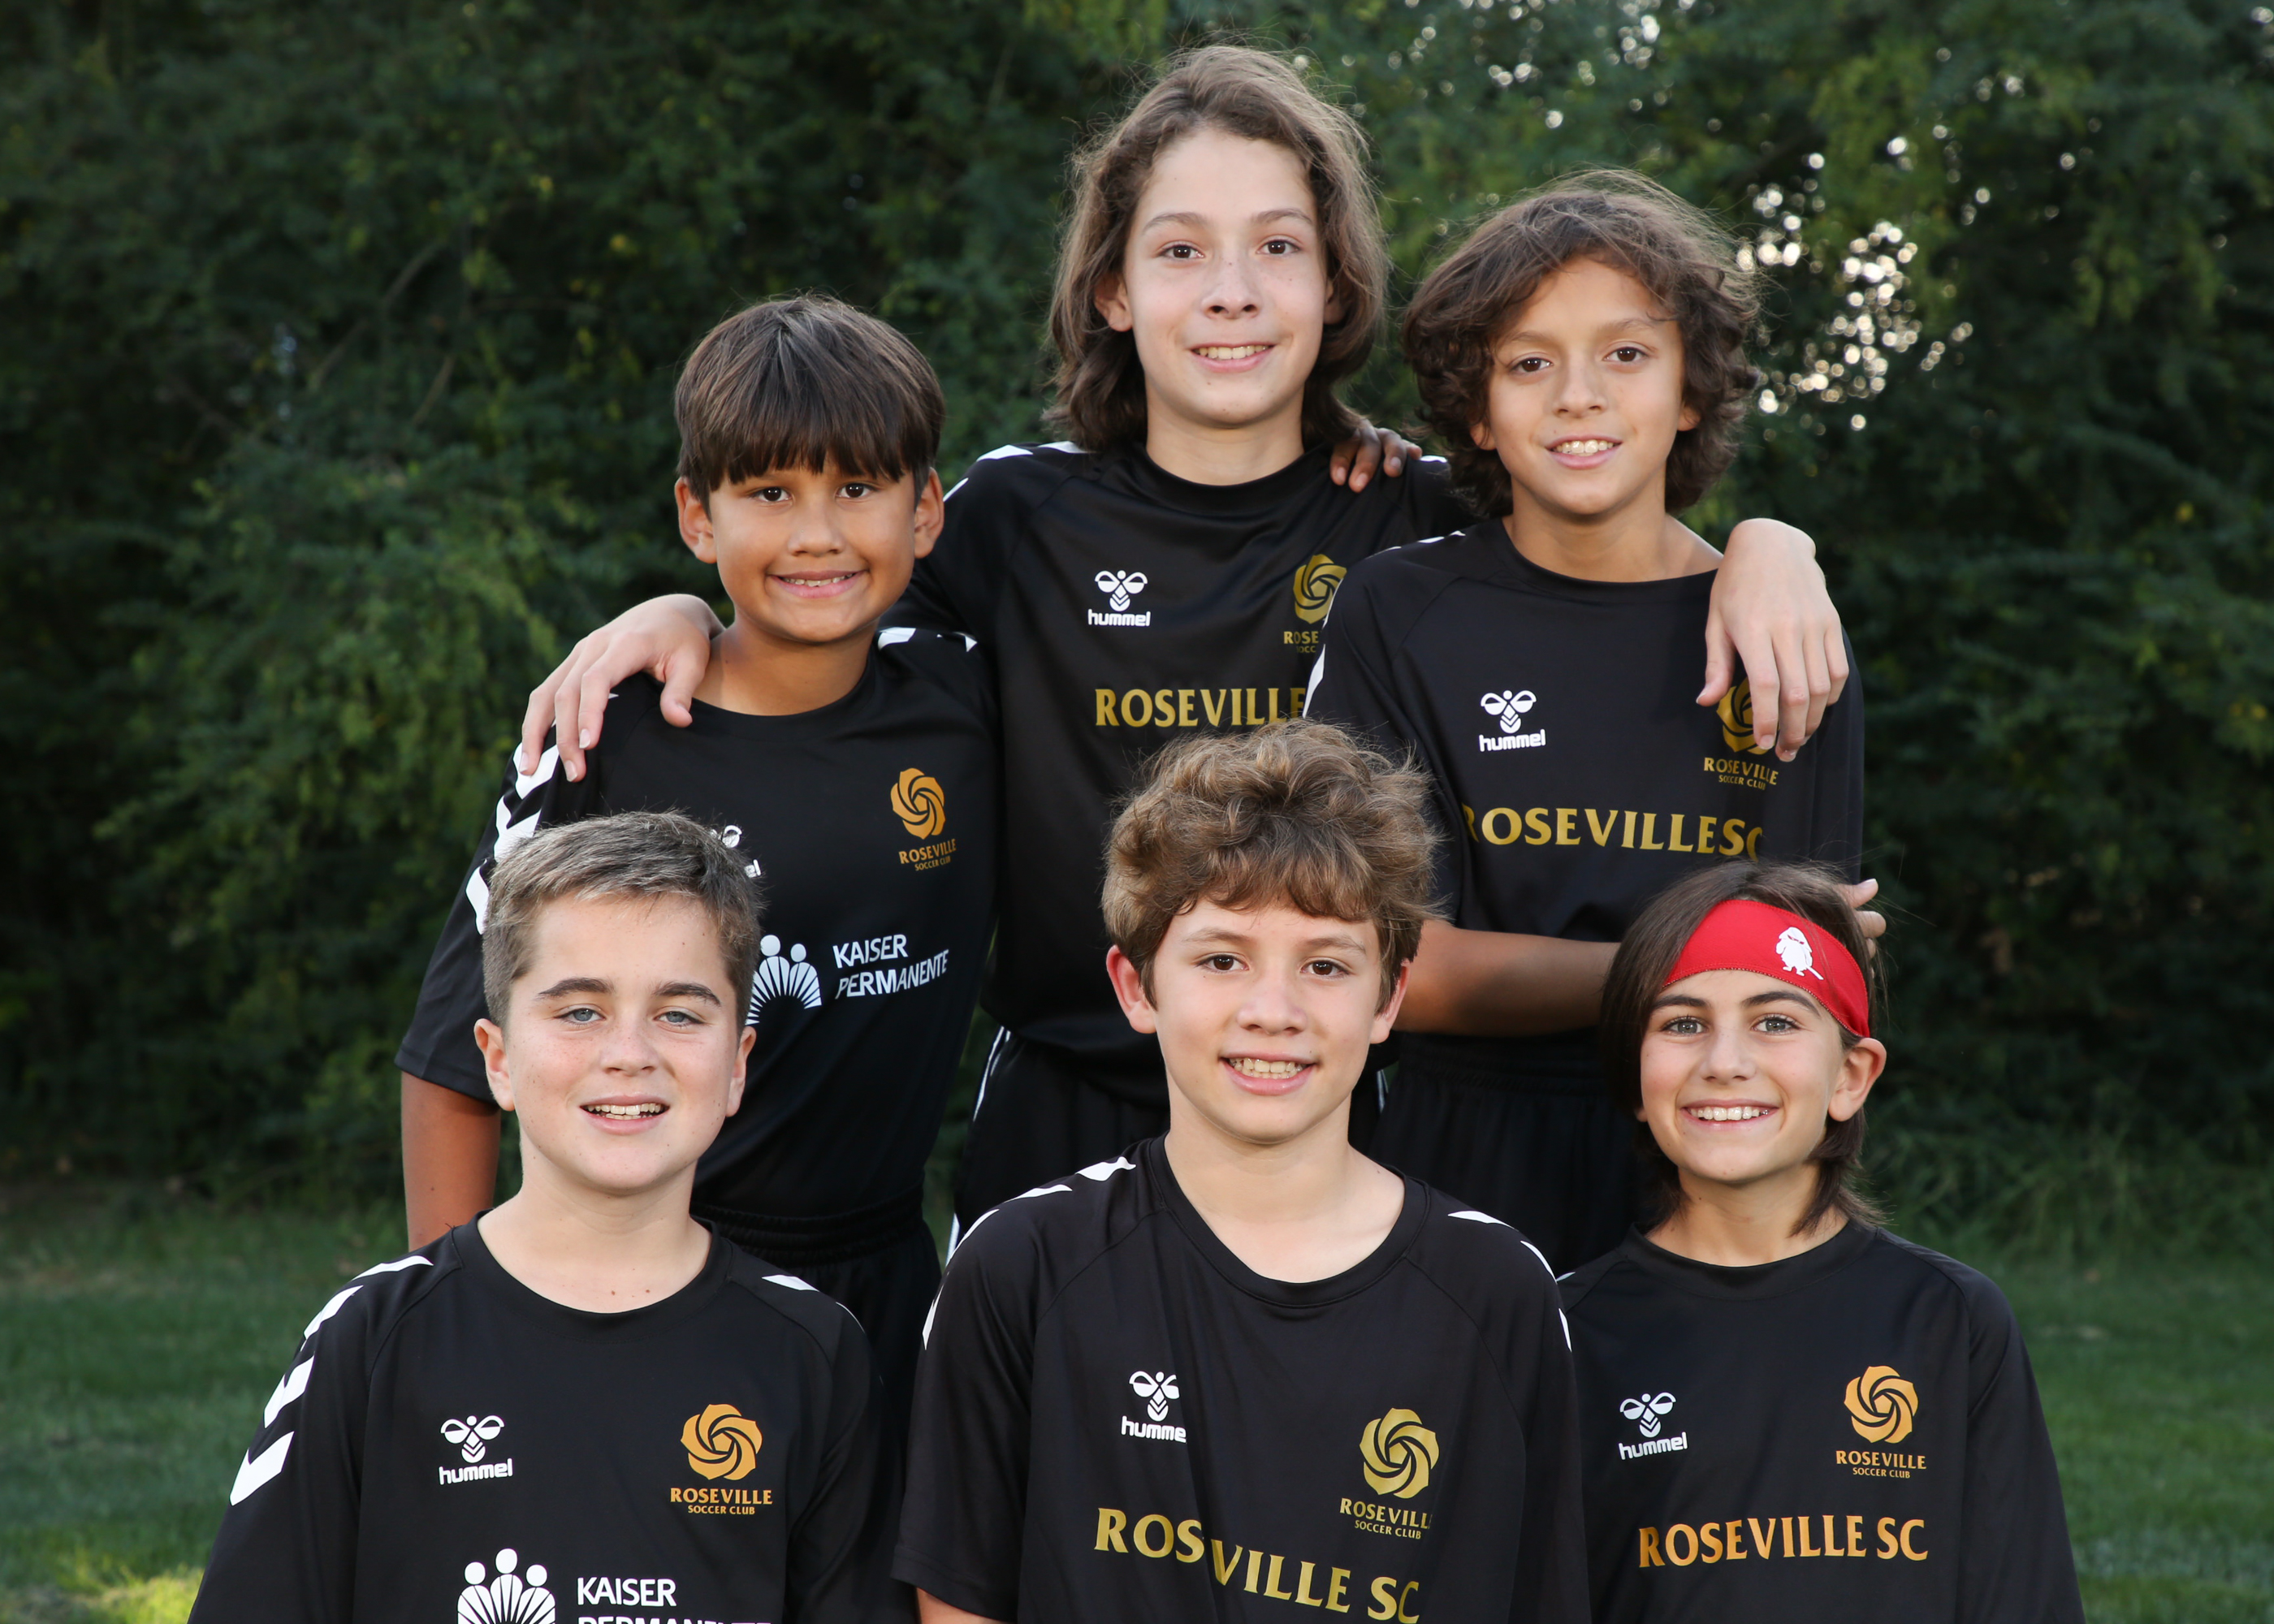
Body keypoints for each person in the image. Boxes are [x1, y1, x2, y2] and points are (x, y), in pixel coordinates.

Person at [516, 50, 1848, 1244]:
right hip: (1065, 1112)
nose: (1231, 292)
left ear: (1334, 285)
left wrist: (1769, 547)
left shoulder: (1412, 516)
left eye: (1277, 246)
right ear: (1111, 288)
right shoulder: (1012, 517)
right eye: (1180, 250)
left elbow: (1610, 542)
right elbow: (818, 605)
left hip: (1328, 1113)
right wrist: (676, 613)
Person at [395, 295, 996, 1425]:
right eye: (769, 493)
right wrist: (457, 1321)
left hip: (886, 1285)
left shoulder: (970, 701)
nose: (816, 534)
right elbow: (450, 1061)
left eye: (856, 489)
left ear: (926, 510)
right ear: (696, 515)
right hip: (644, 1274)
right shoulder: (603, 738)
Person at [893, 721, 1589, 1624]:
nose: (1273, 1010)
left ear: (1389, 997)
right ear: (1136, 986)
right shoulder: (1021, 1265)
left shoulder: (1497, 1291)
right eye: (1222, 959)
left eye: (1326, 964)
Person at [1307, 173, 1869, 1272]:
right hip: (1458, 1158)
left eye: (1625, 353)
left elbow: (1808, 984)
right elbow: (1391, 967)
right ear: (1477, 410)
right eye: (1529, 363)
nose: (1579, 395)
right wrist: (1690, 970)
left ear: (1690, 390)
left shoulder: (1786, 633)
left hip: (1714, 1155)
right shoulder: (1400, 611)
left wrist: (1776, 540)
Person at [192, 813, 906, 1623]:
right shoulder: (372, 1337)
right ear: (497, 1059)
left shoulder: (812, 1352)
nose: (630, 1052)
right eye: (579, 1012)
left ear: (738, 1065)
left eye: (679, 1013)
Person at [1559, 860, 2085, 1622]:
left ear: (1851, 1076)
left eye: (1775, 1022)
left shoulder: (1950, 1321)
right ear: (1635, 1076)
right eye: (1682, 1024)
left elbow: (2023, 1600)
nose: (1724, 1064)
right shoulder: (1563, 1331)